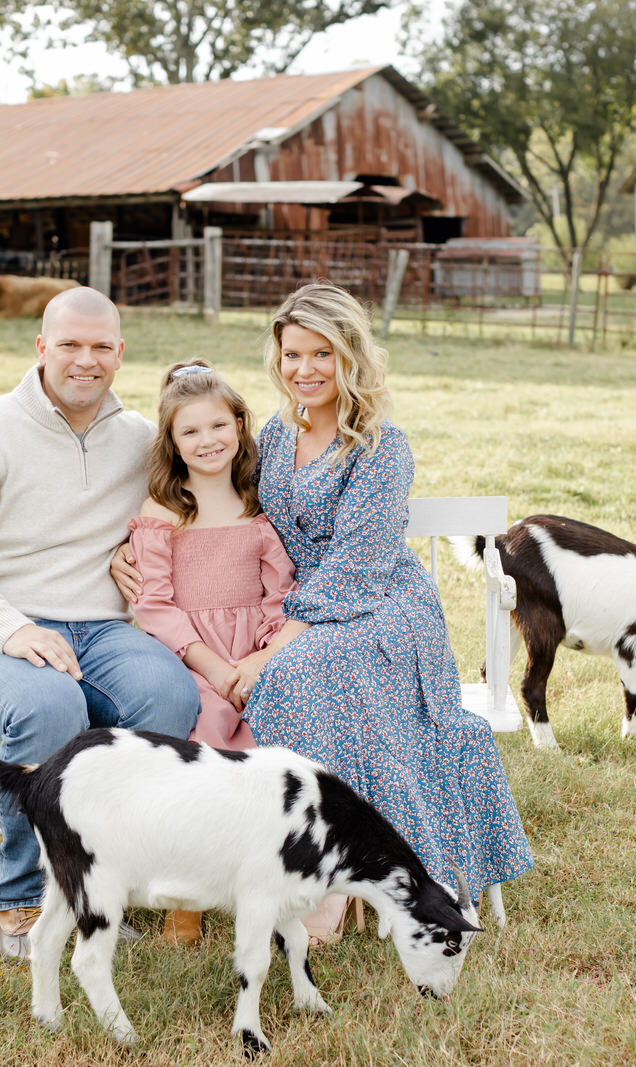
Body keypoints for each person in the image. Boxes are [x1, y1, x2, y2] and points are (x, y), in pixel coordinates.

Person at [116, 282, 533, 945]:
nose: (304, 370)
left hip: (374, 605)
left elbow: (355, 567)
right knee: (292, 675)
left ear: (350, 358)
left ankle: (328, 888)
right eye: (291, 355)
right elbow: (218, 502)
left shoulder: (380, 446)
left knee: (297, 673)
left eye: (322, 354)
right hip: (290, 603)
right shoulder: (277, 436)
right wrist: (135, 552)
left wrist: (265, 650)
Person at [0, 286, 200, 963]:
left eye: (102, 347)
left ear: (121, 354)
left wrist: (147, 551)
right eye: (69, 344)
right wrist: (6, 626)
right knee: (50, 705)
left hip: (101, 628)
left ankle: (104, 881)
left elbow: (190, 503)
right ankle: (24, 895)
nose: (85, 360)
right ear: (41, 347)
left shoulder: (138, 441)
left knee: (170, 695)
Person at [128, 361, 301, 943]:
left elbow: (282, 593)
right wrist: (213, 666)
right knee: (199, 744)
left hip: (255, 655)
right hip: (191, 656)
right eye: (190, 432)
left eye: (218, 426)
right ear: (172, 444)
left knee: (274, 745)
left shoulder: (257, 509)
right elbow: (153, 605)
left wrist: (263, 656)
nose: (208, 442)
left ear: (239, 426)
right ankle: (188, 895)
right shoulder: (164, 515)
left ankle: (267, 884)